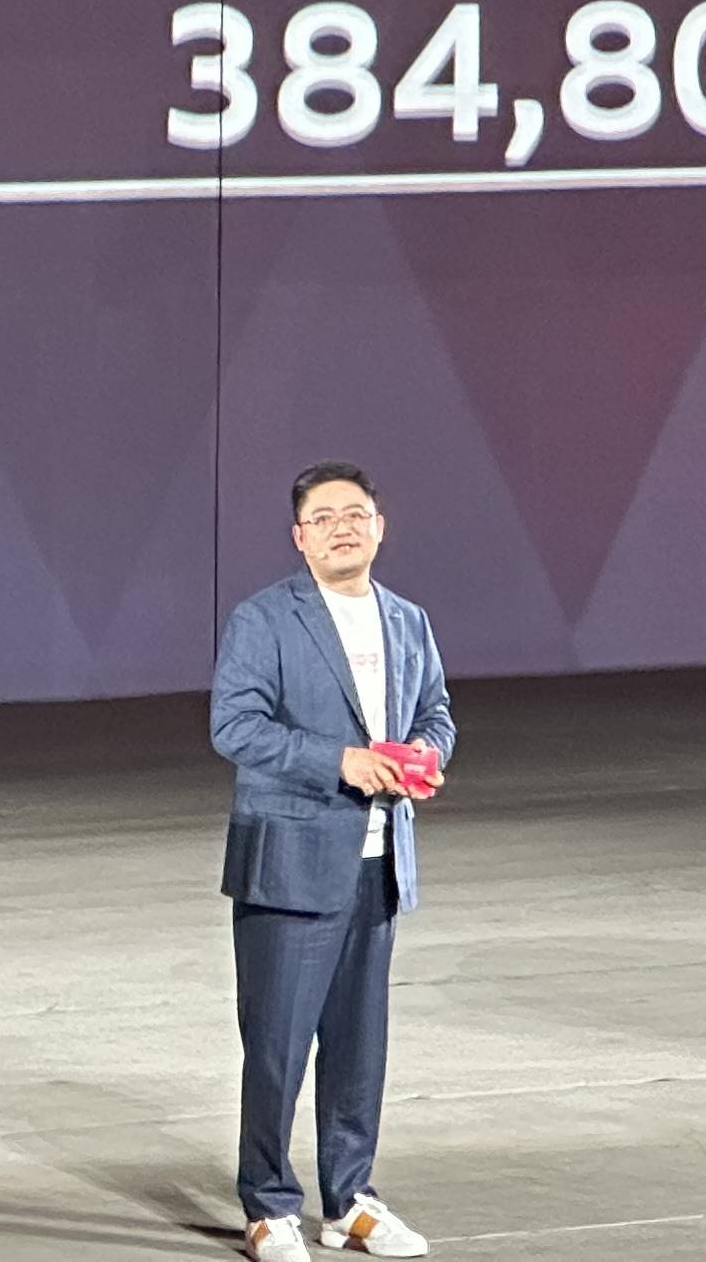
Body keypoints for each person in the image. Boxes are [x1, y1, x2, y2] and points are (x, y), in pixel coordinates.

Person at [210, 460, 455, 1261]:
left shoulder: (408, 620)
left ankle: (350, 1199)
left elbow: (437, 713)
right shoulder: (264, 619)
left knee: (358, 1047)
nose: (342, 527)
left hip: (377, 864)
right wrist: (341, 761)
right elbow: (235, 726)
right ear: (300, 538)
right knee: (277, 1046)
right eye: (324, 518)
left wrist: (427, 753)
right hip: (290, 862)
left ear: (379, 527)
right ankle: (268, 1205)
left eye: (355, 514)